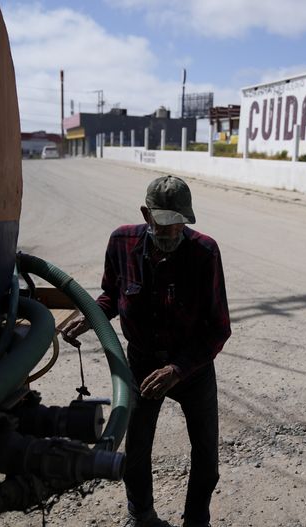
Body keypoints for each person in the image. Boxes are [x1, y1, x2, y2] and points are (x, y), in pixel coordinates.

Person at [62, 175, 231, 527]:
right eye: (165, 224)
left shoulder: (204, 252)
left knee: (206, 460)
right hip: (140, 365)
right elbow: (112, 294)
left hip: (192, 370)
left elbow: (218, 328)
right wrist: (90, 316)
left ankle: (196, 520)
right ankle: (142, 515)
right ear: (146, 214)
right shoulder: (122, 242)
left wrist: (178, 370)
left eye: (179, 224)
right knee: (136, 452)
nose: (172, 233)